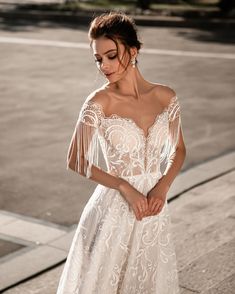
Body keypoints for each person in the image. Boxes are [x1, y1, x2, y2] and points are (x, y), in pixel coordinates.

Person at [56, 11, 186, 294]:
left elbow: (178, 150)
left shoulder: (166, 96)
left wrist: (162, 187)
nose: (104, 65)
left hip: (153, 208)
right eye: (98, 59)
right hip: (114, 208)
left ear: (133, 50)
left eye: (111, 55)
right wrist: (124, 186)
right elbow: (75, 159)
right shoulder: (99, 101)